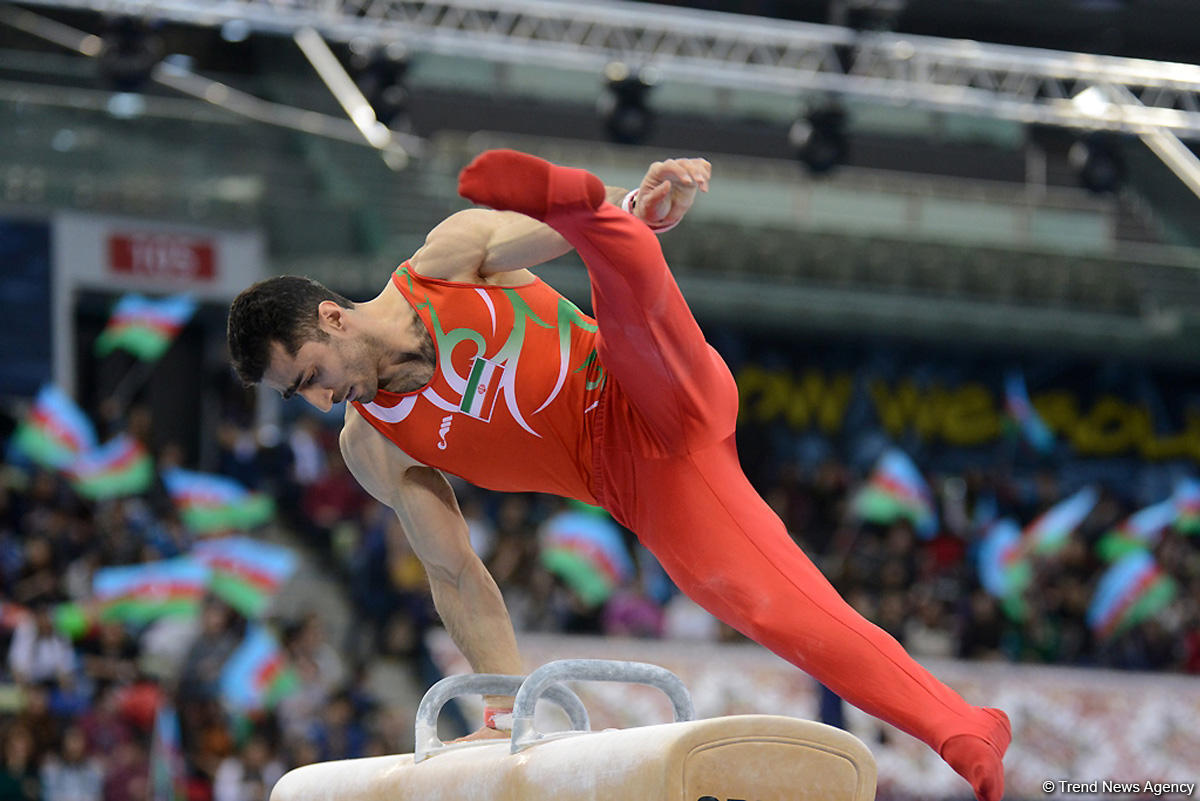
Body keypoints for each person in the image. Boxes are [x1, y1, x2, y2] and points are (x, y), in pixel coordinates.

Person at [227, 149, 1011, 801]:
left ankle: (597, 218)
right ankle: (962, 725)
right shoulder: (376, 444)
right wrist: (505, 705)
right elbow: (455, 571)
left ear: (331, 318)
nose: (325, 401)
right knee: (781, 612)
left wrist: (636, 203)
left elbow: (532, 241)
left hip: (645, 385)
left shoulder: (448, 261)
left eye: (312, 376)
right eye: (304, 397)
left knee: (626, 298)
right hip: (644, 485)